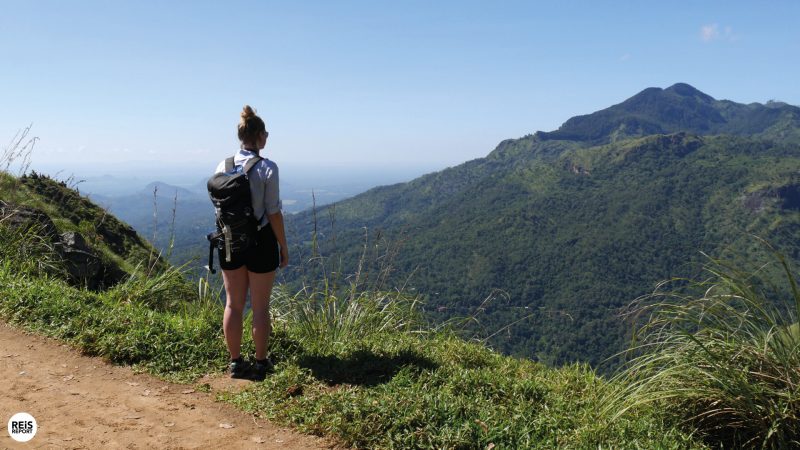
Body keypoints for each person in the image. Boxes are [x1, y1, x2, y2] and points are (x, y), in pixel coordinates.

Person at [214, 105, 288, 380]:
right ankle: (260, 362)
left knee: (233, 304)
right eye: (266, 133)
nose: (266, 137)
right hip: (261, 241)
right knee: (260, 307)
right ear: (259, 136)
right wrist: (283, 245)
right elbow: (273, 211)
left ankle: (235, 363)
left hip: (230, 241)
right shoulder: (268, 168)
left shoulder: (223, 165)